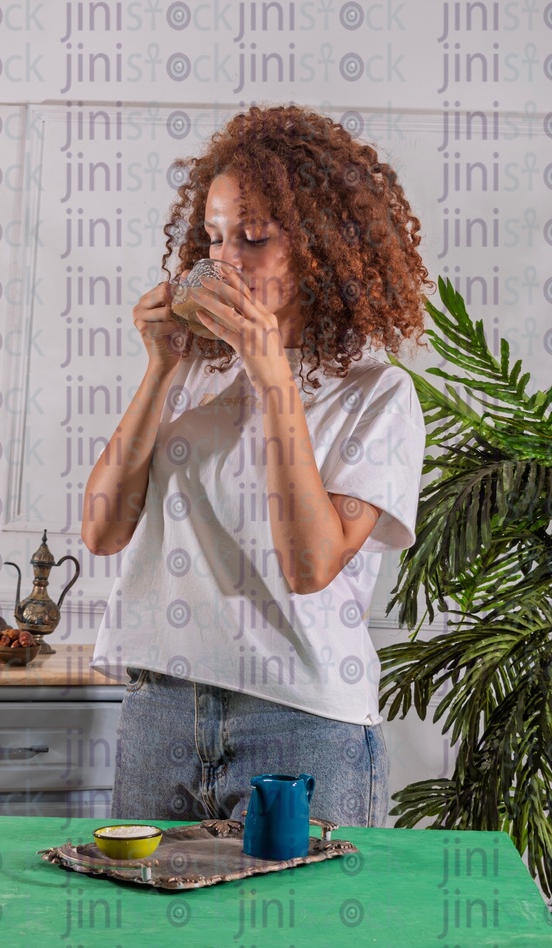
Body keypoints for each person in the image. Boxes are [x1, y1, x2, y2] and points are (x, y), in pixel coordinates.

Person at [81, 104, 431, 827]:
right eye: (212, 238)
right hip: (162, 714)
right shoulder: (194, 375)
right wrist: (159, 370)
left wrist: (273, 376)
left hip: (302, 723)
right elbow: (102, 530)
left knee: (301, 941)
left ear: (322, 247)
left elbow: (310, 563)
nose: (224, 261)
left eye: (252, 238)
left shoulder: (377, 393)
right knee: (152, 938)